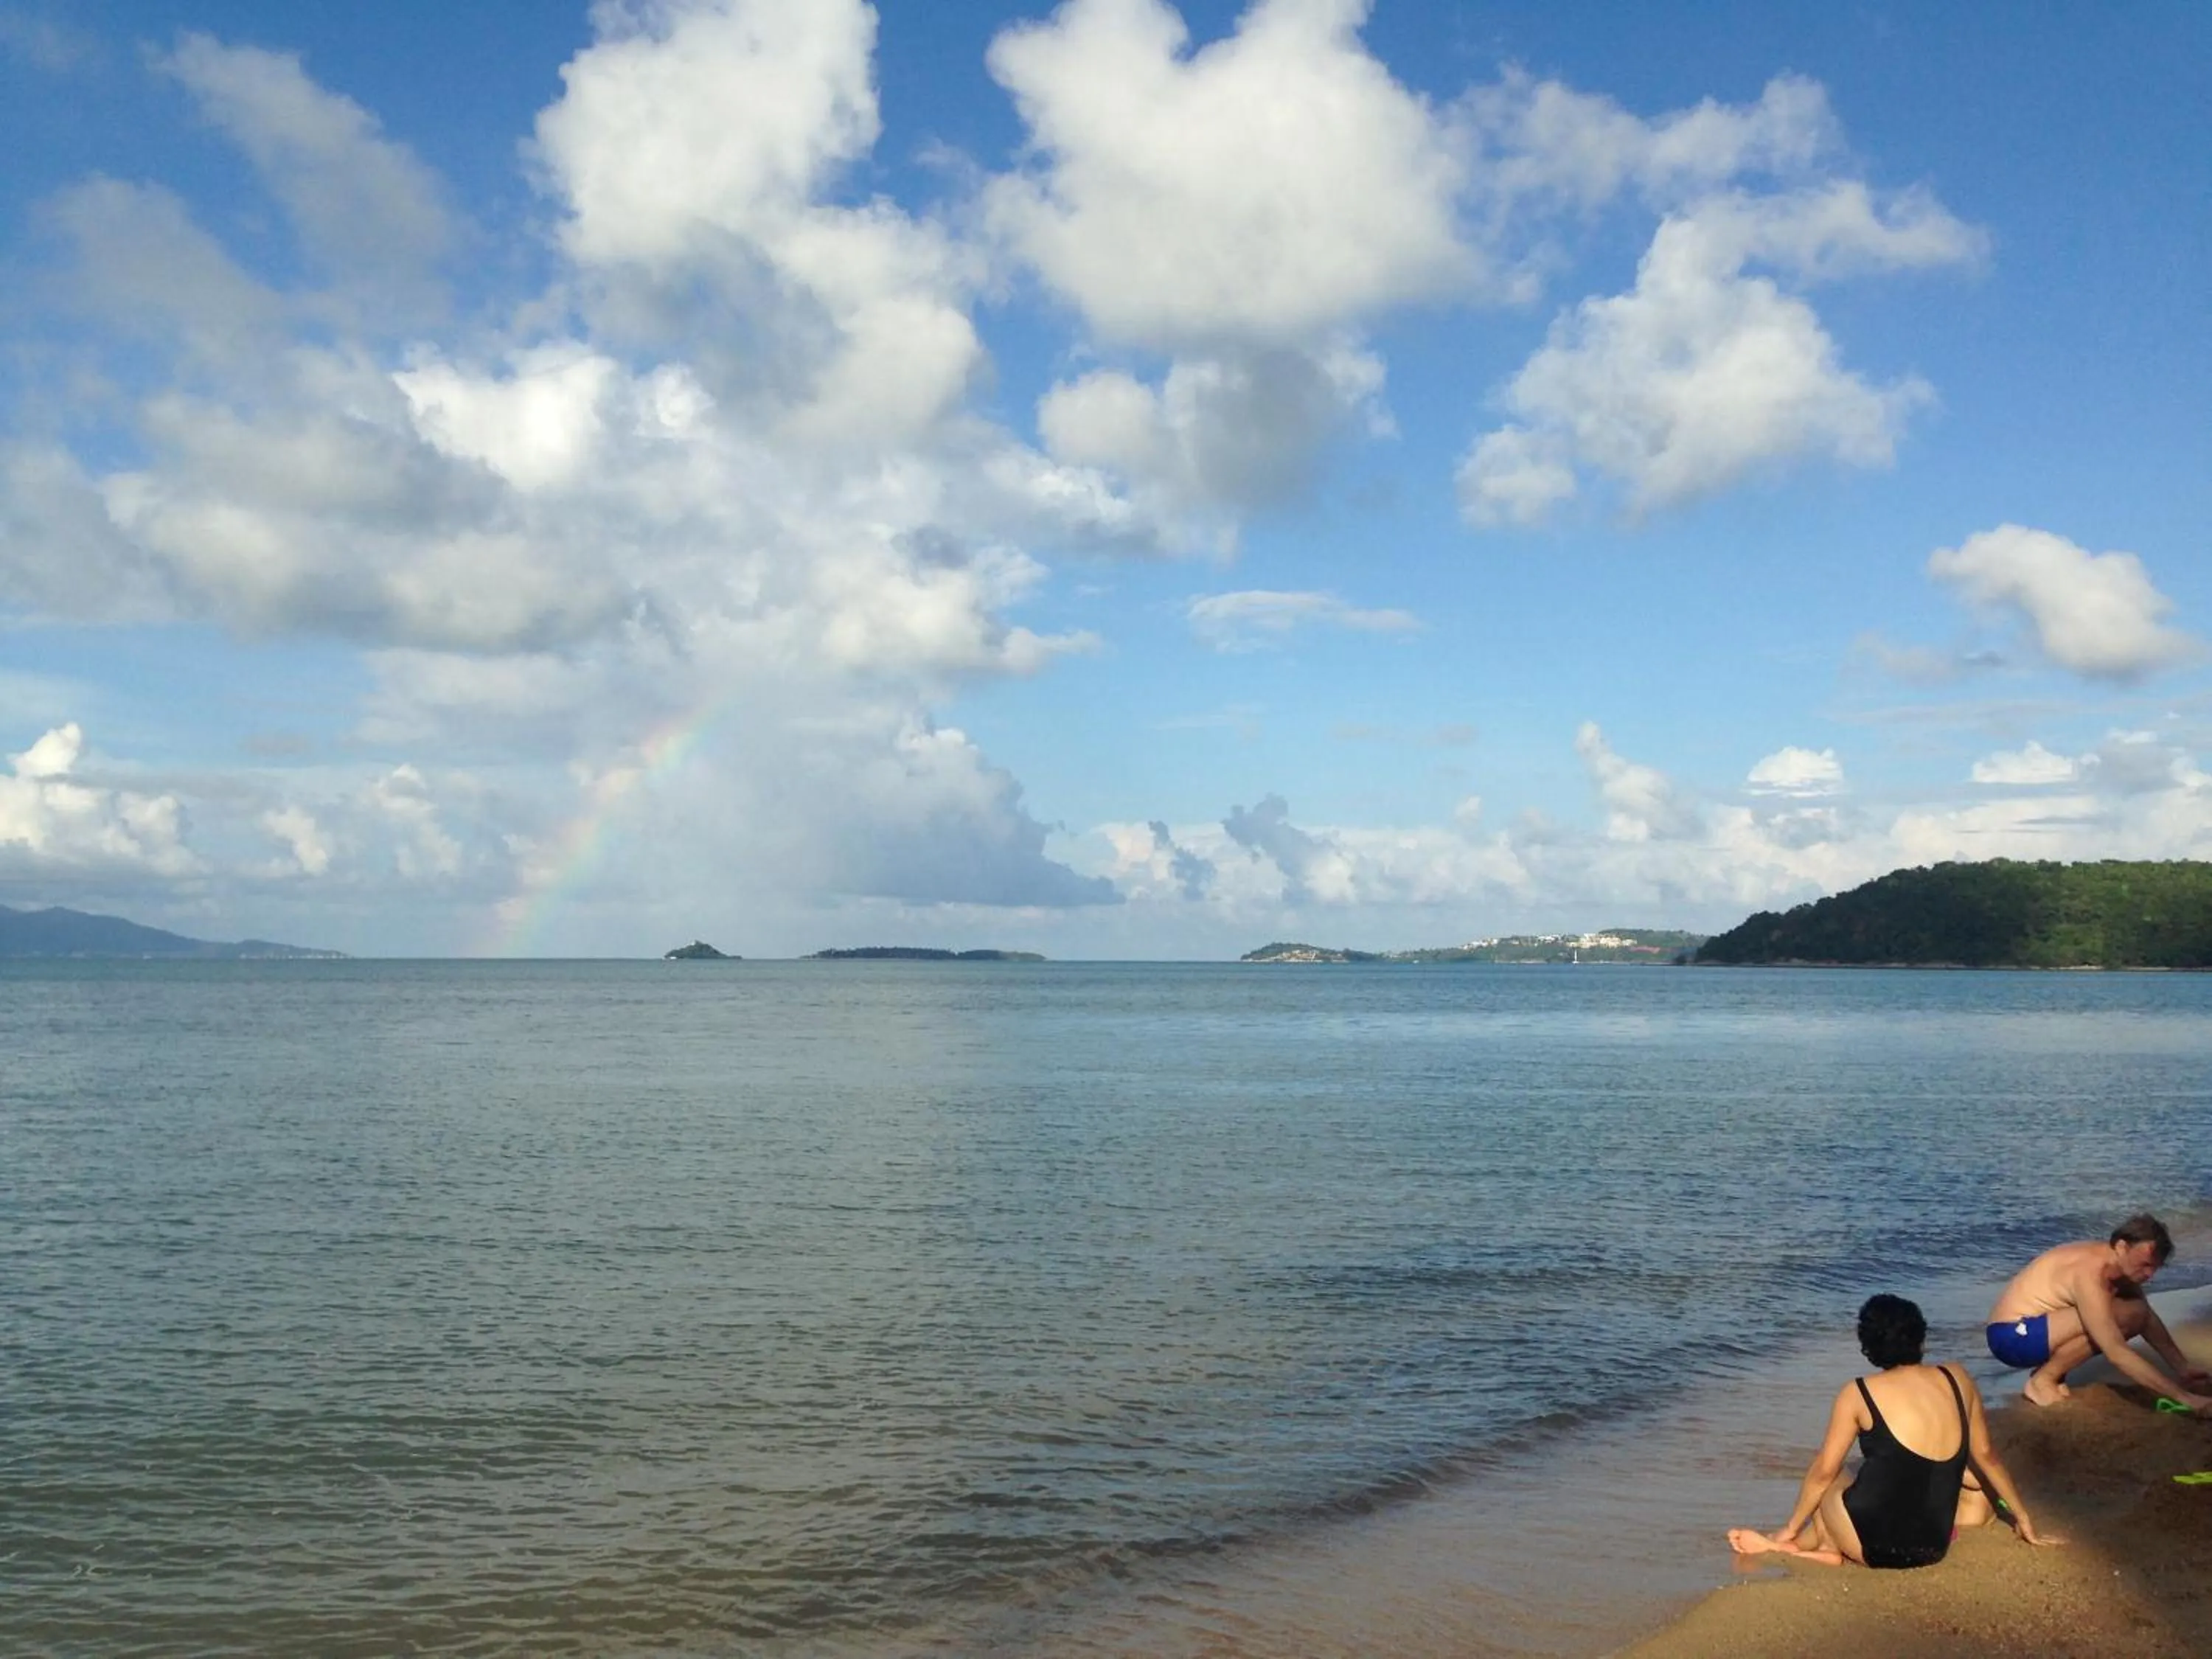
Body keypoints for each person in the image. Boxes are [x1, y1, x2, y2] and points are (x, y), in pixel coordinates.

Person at [1728, 1294, 2053, 1568]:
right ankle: (1808, 1545)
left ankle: (1809, 1547)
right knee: (1869, 1477)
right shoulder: (1957, 1378)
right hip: (1933, 1548)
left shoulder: (1858, 1393)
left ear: (1868, 1348)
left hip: (1874, 1550)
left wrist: (1790, 1525)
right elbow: (1986, 1456)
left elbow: (1824, 1472)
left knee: (1835, 1478)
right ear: (1921, 1337)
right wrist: (2022, 1518)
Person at [1986, 1214, 2212, 1411]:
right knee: (2119, 1319)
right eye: (2145, 1264)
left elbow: (2146, 1317)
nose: (2150, 1274)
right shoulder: (2090, 1272)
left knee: (2134, 1310)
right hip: (2011, 1336)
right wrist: (2183, 1398)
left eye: (2155, 1267)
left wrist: (2183, 1367)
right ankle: (2043, 1381)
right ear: (2122, 1247)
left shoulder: (2120, 1268)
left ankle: (2050, 1376)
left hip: (2039, 1329)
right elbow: (2115, 1351)